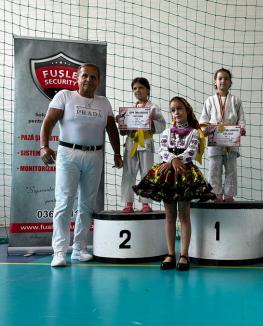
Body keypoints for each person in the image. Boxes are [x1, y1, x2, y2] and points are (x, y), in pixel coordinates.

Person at [40, 63, 123, 267]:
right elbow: (48, 122)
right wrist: (44, 146)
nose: (88, 80)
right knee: (64, 202)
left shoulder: (104, 103)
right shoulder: (65, 96)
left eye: (93, 77)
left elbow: (112, 129)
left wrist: (118, 154)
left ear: (98, 81)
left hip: (95, 155)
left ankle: (79, 248)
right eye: (85, 76)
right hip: (68, 154)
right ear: (77, 78)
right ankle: (59, 251)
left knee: (86, 204)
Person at [133, 97, 215, 271]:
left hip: (185, 174)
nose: (176, 112)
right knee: (169, 216)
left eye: (179, 109)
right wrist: (172, 161)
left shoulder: (194, 132)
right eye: (173, 110)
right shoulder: (166, 132)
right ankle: (171, 253)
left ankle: (184, 254)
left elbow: (191, 151)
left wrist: (176, 161)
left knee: (184, 216)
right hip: (167, 176)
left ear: (187, 111)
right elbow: (162, 150)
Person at [118, 77, 166, 213]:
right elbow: (123, 132)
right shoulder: (129, 110)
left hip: (146, 144)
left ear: (147, 90)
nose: (137, 90)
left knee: (147, 173)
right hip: (131, 143)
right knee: (128, 173)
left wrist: (151, 123)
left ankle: (146, 203)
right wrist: (121, 123)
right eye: (134, 88)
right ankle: (128, 203)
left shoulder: (153, 107)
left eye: (141, 88)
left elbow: (162, 125)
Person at [199, 68, 246, 202]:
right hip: (215, 139)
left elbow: (241, 118)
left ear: (230, 82)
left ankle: (229, 195)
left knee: (231, 169)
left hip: (231, 138)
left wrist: (242, 128)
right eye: (220, 78)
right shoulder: (209, 101)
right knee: (214, 168)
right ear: (215, 82)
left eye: (226, 78)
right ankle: (216, 194)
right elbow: (203, 119)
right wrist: (205, 129)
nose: (223, 81)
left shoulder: (236, 101)